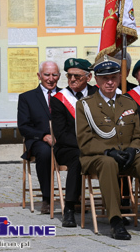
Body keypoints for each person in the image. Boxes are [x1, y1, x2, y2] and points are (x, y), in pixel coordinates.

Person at [76, 55, 140, 240]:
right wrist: (108, 151)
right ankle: (116, 220)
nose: (110, 82)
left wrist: (134, 149)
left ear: (119, 78)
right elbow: (85, 140)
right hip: (98, 156)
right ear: (96, 79)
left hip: (126, 153)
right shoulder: (85, 105)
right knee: (108, 164)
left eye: (113, 78)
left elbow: (139, 135)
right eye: (105, 78)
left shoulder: (128, 102)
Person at [51, 58, 97, 227]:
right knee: (78, 158)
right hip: (68, 148)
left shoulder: (97, 94)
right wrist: (86, 146)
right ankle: (69, 208)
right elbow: (61, 134)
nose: (72, 80)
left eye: (77, 76)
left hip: (97, 146)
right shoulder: (59, 99)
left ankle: (118, 208)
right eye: (69, 75)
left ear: (88, 77)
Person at [18, 61, 61, 214]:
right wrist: (44, 136)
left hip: (63, 141)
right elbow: (23, 127)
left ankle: (74, 198)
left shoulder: (65, 95)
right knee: (45, 153)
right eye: (47, 74)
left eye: (54, 75)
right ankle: (47, 199)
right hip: (38, 141)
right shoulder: (27, 97)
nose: (50, 79)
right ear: (39, 76)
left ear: (59, 76)